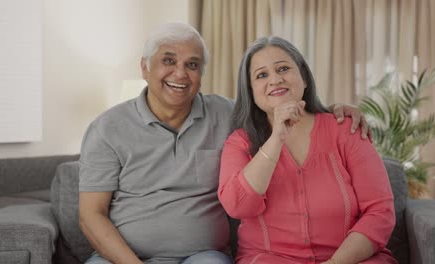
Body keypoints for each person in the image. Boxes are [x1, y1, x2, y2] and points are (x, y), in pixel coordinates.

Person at [78, 23, 371, 264]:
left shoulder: (228, 116)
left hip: (203, 256)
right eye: (168, 60)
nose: (180, 73)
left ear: (201, 76)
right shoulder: (106, 129)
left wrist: (334, 109)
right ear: (144, 67)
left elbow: (275, 105)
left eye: (192, 65)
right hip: (123, 258)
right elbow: (91, 214)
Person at [218, 36, 397, 264]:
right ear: (251, 91)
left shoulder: (346, 130)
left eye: (283, 68)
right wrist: (276, 138)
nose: (275, 79)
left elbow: (379, 211)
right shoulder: (240, 142)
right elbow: (238, 205)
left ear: (303, 78)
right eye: (261, 75)